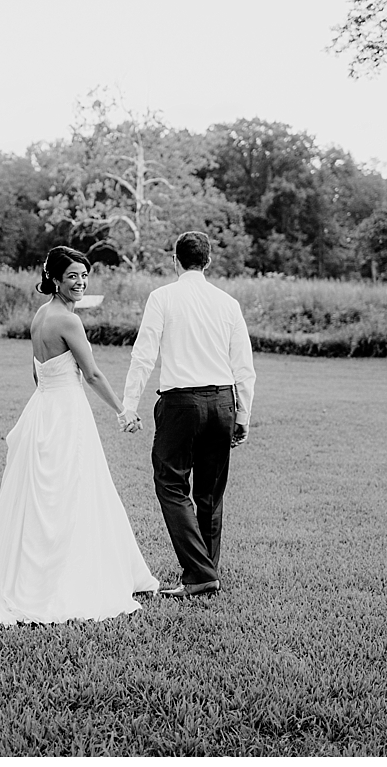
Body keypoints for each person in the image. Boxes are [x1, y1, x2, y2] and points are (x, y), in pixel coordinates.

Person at [0, 246, 159, 625]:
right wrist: (123, 411)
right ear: (54, 278)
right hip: (66, 413)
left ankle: (30, 575)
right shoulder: (68, 321)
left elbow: (38, 374)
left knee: (43, 497)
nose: (81, 282)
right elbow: (93, 374)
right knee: (72, 493)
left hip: (43, 409)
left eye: (84, 276)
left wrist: (53, 395)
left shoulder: (41, 316)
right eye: (72, 276)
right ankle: (67, 582)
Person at [121, 231, 256, 599]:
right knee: (211, 492)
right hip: (223, 402)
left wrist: (129, 404)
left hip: (181, 404)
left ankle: (200, 574)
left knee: (170, 484)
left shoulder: (162, 297)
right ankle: (204, 574)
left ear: (174, 261)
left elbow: (144, 354)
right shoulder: (228, 303)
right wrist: (243, 414)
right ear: (208, 261)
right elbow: (244, 365)